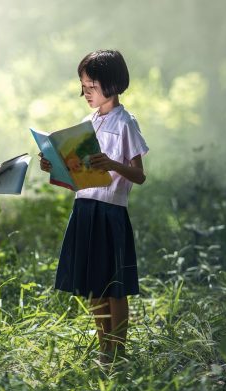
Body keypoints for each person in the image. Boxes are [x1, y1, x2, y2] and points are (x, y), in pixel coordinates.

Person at [39, 50, 149, 363]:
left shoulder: (126, 122)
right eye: (83, 86)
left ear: (111, 84)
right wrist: (55, 165)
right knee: (95, 285)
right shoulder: (88, 123)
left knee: (115, 285)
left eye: (90, 86)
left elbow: (139, 175)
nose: (84, 93)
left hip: (111, 210)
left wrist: (113, 163)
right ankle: (105, 350)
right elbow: (76, 172)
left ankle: (119, 351)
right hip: (85, 207)